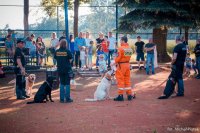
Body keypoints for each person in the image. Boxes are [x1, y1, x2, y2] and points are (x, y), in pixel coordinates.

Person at [114, 36, 134, 101]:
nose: (120, 42)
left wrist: (114, 62)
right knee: (127, 80)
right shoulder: (129, 48)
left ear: (123, 40)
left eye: (120, 40)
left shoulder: (120, 48)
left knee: (120, 80)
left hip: (121, 65)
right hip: (127, 65)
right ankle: (129, 95)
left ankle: (120, 95)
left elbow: (118, 57)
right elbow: (128, 57)